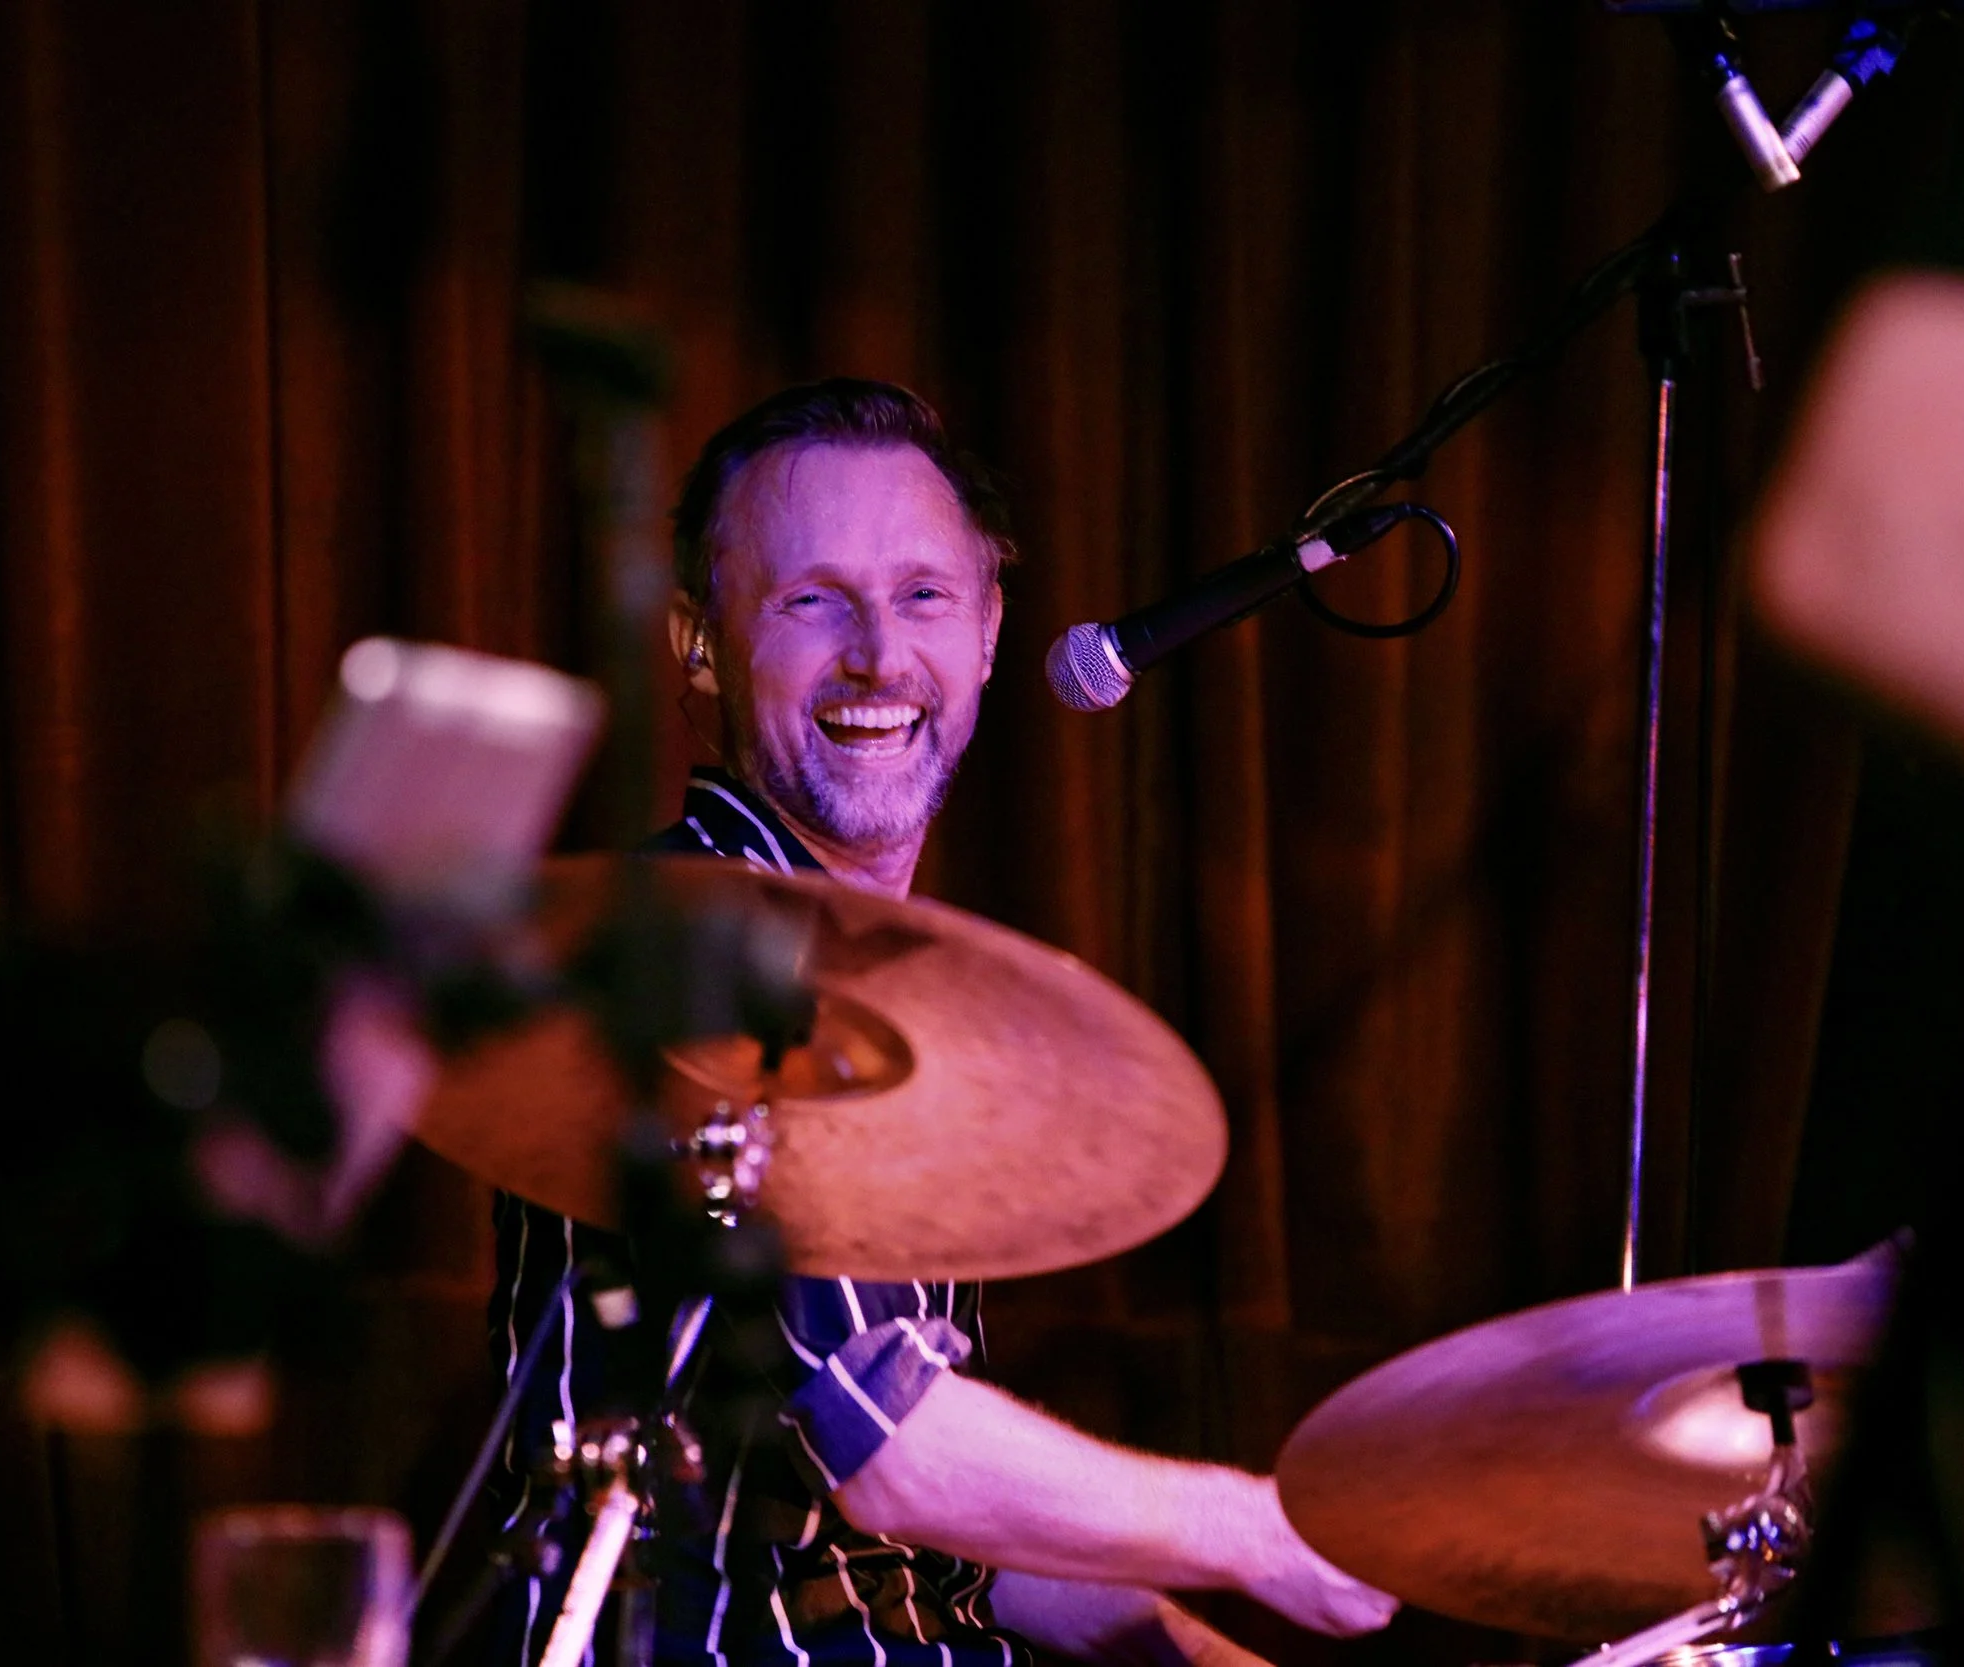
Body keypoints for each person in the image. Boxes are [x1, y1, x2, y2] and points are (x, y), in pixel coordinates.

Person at [486, 380, 1397, 1667]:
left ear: (986, 635)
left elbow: (930, 1555)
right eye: (812, 601)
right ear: (698, 643)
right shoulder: (680, 944)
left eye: (922, 596)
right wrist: (1262, 1526)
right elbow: (886, 1447)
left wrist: (1196, 1646)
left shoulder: (891, 999)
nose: (876, 656)